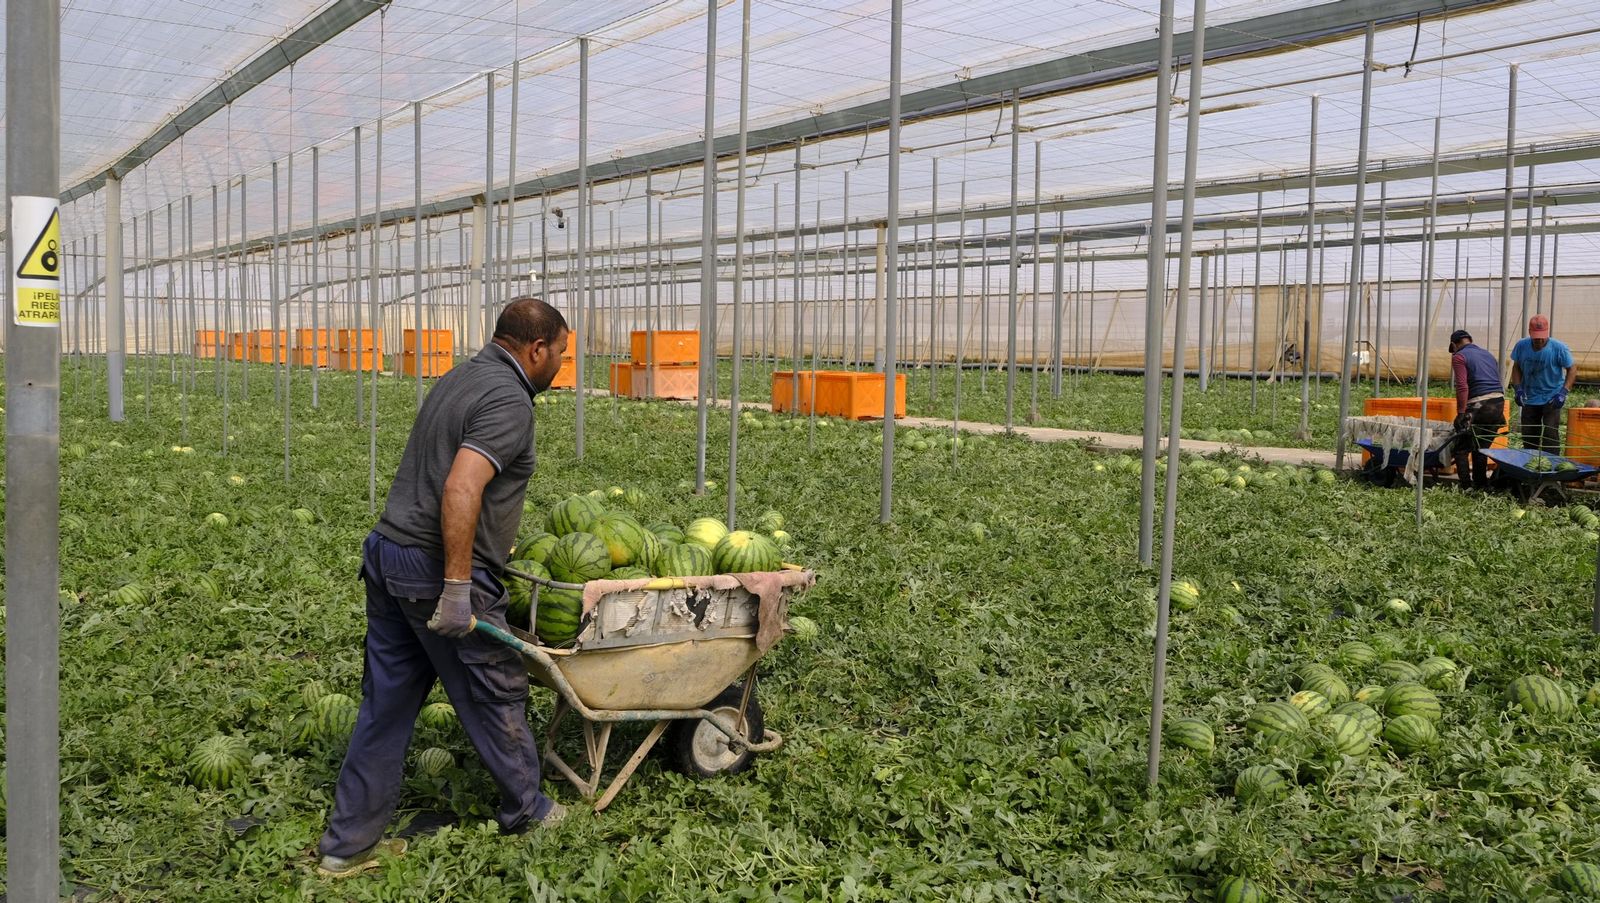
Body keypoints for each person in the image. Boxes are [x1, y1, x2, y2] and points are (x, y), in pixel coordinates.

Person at [317, 298, 571, 877]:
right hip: (434, 568)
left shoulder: (461, 375)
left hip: (388, 554)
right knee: (493, 688)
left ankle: (345, 845)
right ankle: (527, 810)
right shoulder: (509, 400)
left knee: (387, 702)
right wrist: (458, 586)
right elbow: (461, 487)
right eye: (560, 353)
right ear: (535, 350)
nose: (560, 365)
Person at [1508, 314, 1577, 454]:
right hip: (1530, 396)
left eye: (1542, 336)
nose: (1539, 339)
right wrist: (1518, 389)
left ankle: (1550, 465)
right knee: (1529, 433)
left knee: (1550, 432)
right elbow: (1516, 367)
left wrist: (1563, 392)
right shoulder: (1521, 346)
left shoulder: (1559, 348)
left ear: (1547, 332)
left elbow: (1572, 369)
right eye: (1535, 336)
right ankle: (1530, 462)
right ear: (1529, 332)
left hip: (1552, 397)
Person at [1447, 329, 1504, 490]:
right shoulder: (1488, 355)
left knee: (1461, 448)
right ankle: (1481, 484)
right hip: (1498, 404)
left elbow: (1462, 386)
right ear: (1470, 340)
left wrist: (1461, 413)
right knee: (1481, 447)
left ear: (1454, 344)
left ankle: (1466, 486)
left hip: (1479, 405)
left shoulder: (1459, 356)